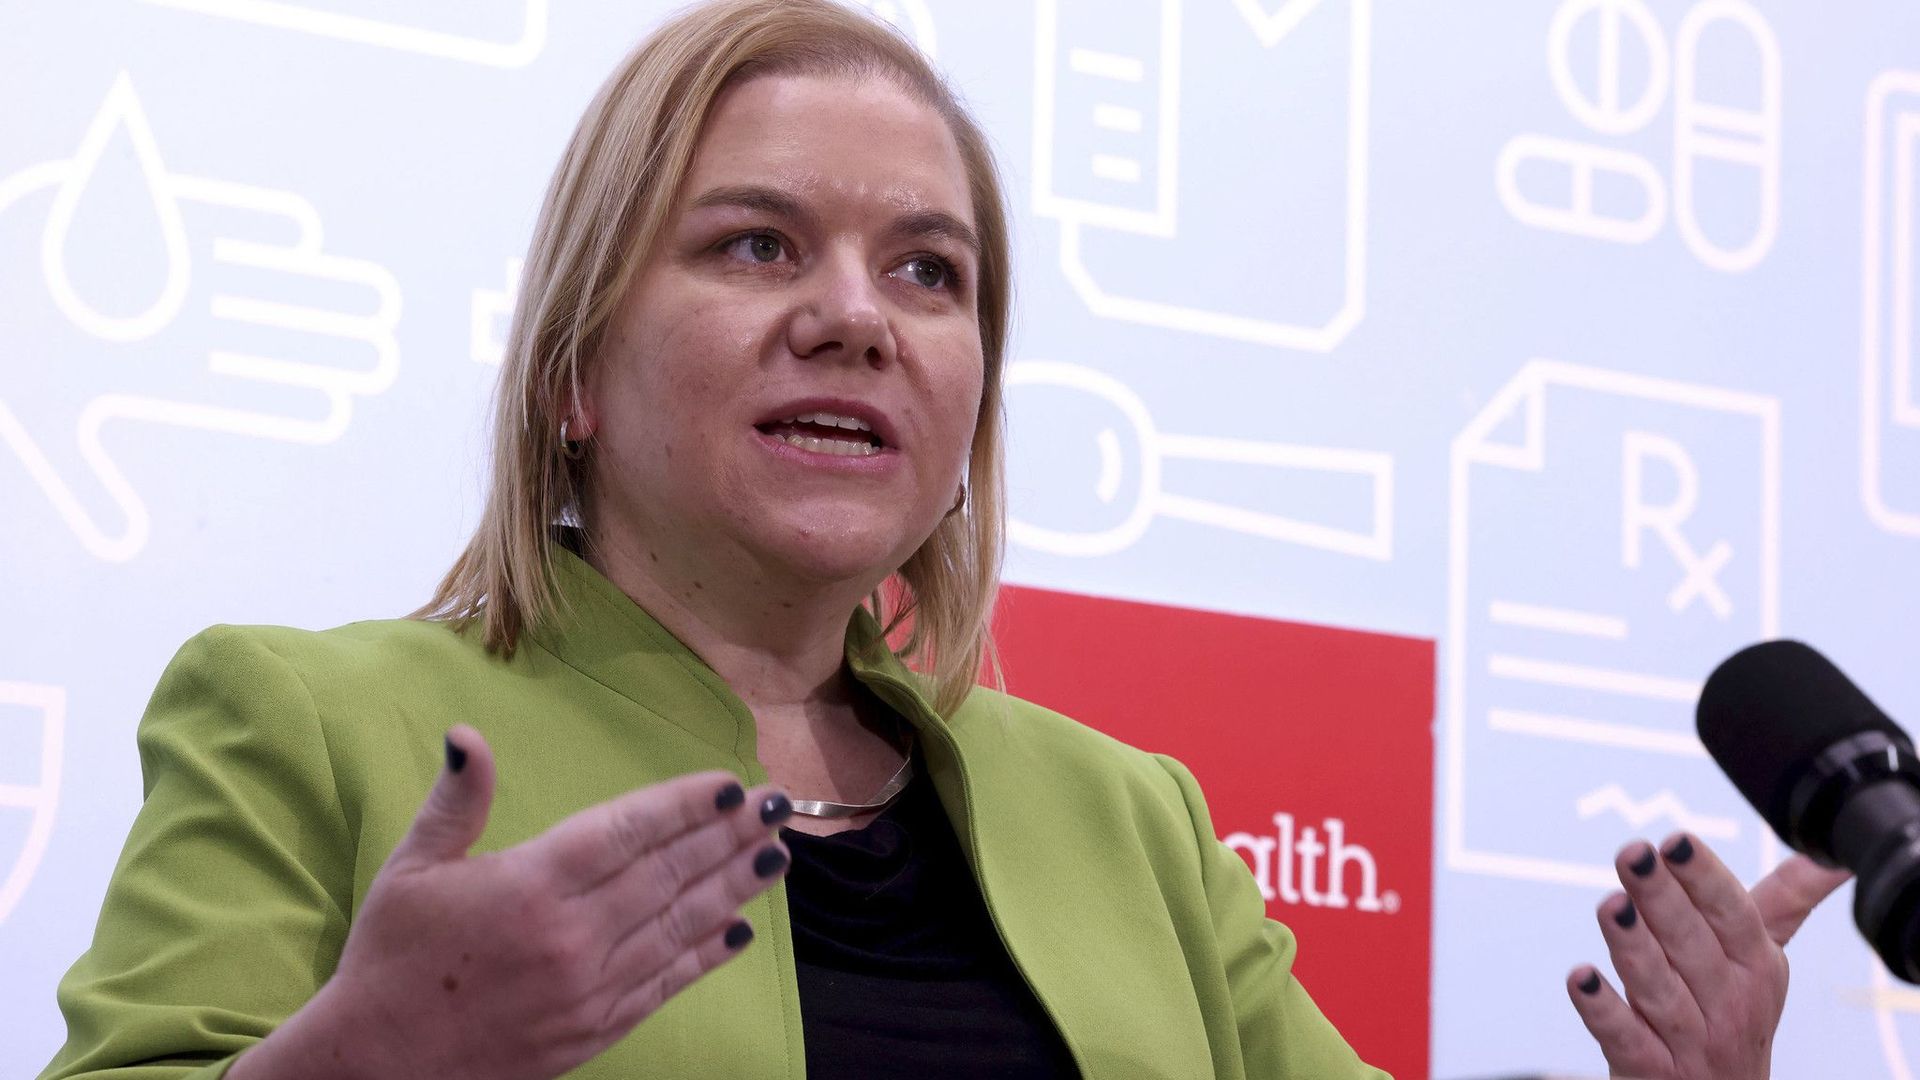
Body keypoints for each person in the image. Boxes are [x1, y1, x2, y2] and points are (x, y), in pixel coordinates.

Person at [38, 2, 1849, 1077]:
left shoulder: (1129, 818)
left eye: (930, 271)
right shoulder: (309, 719)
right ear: (577, 368)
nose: (858, 317)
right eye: (757, 246)